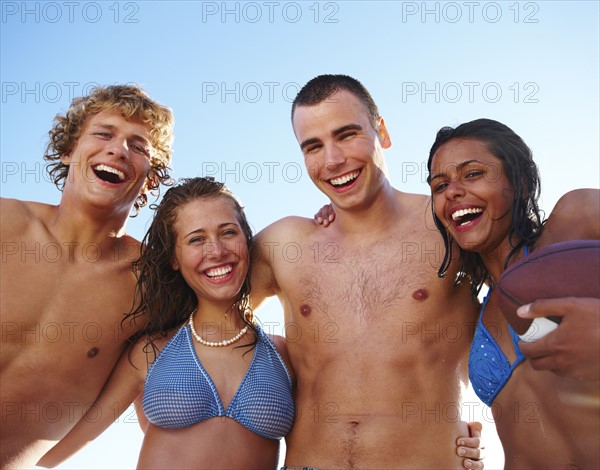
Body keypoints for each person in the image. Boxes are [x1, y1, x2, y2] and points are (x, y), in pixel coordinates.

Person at [251, 74, 484, 469]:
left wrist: (488, 423)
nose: (332, 160)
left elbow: (526, 316)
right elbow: (205, 330)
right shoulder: (283, 244)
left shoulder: (451, 224)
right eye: (313, 146)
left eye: (346, 135)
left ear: (382, 131)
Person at [38, 177, 295, 469]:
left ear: (246, 241)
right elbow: (68, 442)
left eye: (228, 232)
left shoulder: (283, 355)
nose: (217, 251)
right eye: (196, 239)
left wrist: (337, 216)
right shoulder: (151, 351)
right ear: (174, 257)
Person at [0, 85, 174, 469]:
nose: (119, 149)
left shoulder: (154, 286)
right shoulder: (5, 223)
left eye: (139, 146)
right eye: (104, 133)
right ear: (68, 151)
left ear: (150, 180)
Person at [426, 118, 599, 468]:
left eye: (472, 174)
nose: (453, 192)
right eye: (440, 185)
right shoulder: (472, 313)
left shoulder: (575, 219)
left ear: (518, 181)